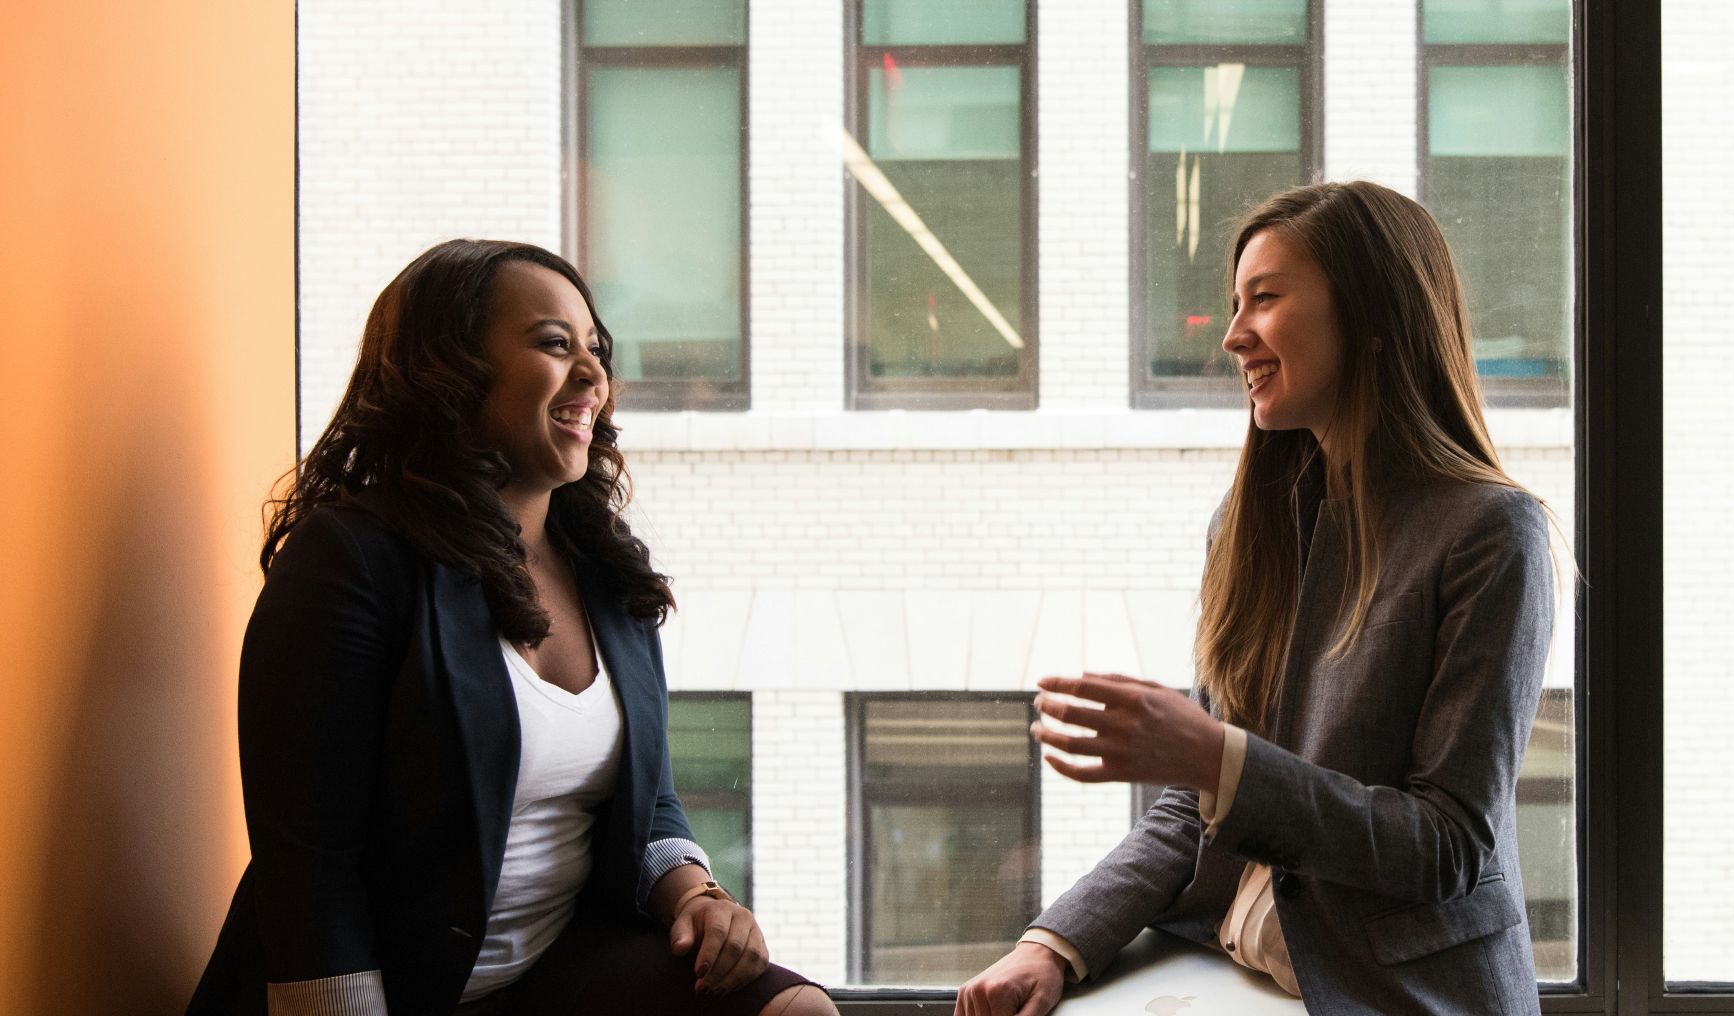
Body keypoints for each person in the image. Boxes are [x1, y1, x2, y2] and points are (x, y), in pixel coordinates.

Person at [188, 240, 837, 1016]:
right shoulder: (351, 558)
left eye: (596, 349)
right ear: (449, 370)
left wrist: (696, 893)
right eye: (556, 345)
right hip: (374, 988)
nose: (595, 374)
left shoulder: (603, 569)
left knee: (794, 1011)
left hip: (546, 971)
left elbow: (648, 798)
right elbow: (308, 862)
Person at [958, 182, 1556, 1016]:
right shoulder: (1248, 528)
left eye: (1265, 299)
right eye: (1235, 305)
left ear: (1372, 311)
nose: (1234, 336)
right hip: (1234, 977)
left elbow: (1447, 846)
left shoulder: (1492, 533)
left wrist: (1215, 758)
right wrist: (1052, 945)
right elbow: (1191, 811)